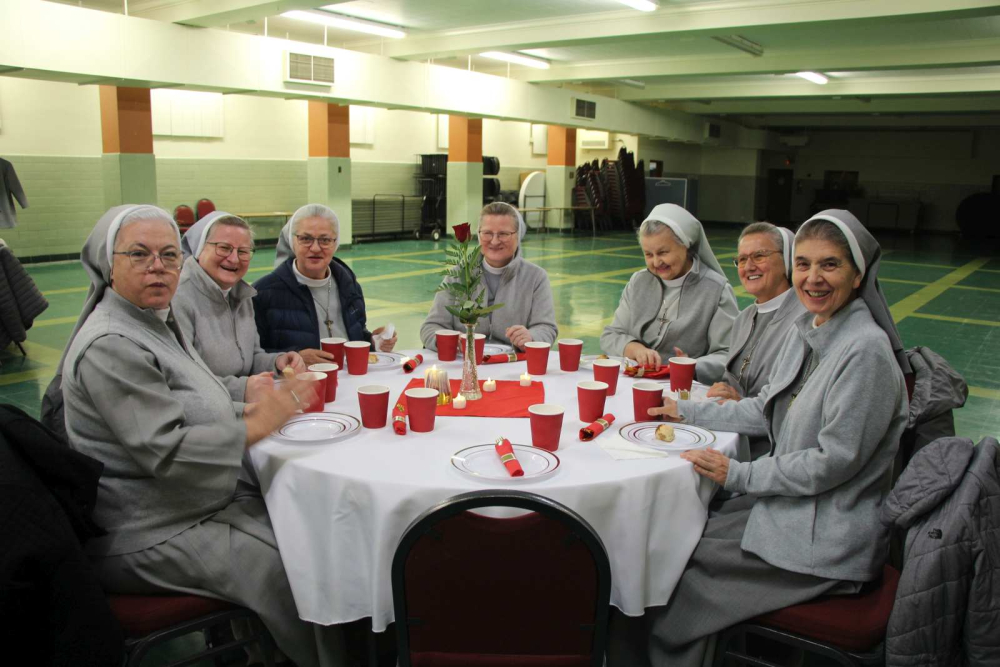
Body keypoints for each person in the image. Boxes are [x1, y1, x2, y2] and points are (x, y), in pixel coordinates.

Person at [56, 205, 343, 667]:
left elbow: (199, 400)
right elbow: (167, 453)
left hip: (194, 501)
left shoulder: (153, 320)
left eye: (169, 255)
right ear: (108, 264)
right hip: (148, 528)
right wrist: (257, 421)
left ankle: (269, 650)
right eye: (139, 254)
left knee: (306, 526)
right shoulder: (112, 345)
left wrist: (253, 409)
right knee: (292, 569)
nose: (158, 267)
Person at [644, 209, 911, 667]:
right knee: (681, 532)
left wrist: (740, 474)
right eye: (804, 263)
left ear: (858, 274)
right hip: (794, 508)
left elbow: (831, 461)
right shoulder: (811, 329)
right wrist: (685, 409)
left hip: (827, 538)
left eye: (830, 264)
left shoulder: (864, 352)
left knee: (677, 568)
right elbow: (765, 407)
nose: (813, 278)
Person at [173, 211, 304, 403]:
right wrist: (241, 389)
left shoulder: (241, 294)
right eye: (224, 248)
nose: (234, 259)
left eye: (242, 251)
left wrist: (277, 362)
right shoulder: (179, 299)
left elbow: (251, 358)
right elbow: (182, 381)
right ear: (200, 248)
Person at [601, 203, 738, 383]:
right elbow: (611, 335)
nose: (656, 262)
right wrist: (633, 348)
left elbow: (728, 354)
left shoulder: (716, 290)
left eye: (663, 252)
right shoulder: (639, 282)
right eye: (648, 254)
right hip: (633, 381)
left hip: (683, 387)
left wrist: (691, 366)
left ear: (686, 245)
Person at [707, 222, 806, 460]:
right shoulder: (744, 318)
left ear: (787, 260)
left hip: (771, 452)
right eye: (742, 259)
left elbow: (793, 410)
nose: (749, 266)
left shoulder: (804, 320)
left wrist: (741, 402)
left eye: (759, 256)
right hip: (732, 430)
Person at [254, 203, 396, 366]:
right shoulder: (264, 293)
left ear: (335, 243)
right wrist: (294, 358)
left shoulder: (348, 285)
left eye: (325, 240)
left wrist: (373, 341)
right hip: (300, 380)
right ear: (292, 241)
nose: (315, 248)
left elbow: (355, 335)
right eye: (305, 239)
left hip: (350, 377)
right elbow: (254, 357)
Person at [419, 201, 557, 351]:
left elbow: (546, 328)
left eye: (503, 234)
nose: (495, 241)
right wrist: (446, 340)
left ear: (518, 236)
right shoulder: (459, 274)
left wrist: (531, 337)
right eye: (487, 233)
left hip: (514, 362)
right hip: (464, 360)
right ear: (479, 235)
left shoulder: (536, 278)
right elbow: (431, 326)